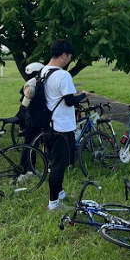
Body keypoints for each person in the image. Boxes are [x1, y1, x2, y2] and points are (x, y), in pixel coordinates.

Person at [42, 39, 91, 210]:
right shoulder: (63, 75)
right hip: (61, 126)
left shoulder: (43, 71)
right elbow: (69, 101)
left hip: (48, 125)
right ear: (64, 55)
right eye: (69, 56)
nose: (70, 60)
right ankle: (53, 203)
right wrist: (83, 95)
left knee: (57, 162)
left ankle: (60, 191)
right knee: (58, 166)